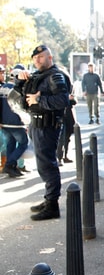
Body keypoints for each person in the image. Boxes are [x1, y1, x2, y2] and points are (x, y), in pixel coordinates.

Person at [13, 45, 70, 220]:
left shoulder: (55, 75)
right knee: (42, 165)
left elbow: (62, 100)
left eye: (41, 57)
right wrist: (21, 82)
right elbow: (21, 99)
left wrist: (40, 99)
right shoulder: (38, 76)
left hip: (47, 126)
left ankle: (52, 205)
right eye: (35, 58)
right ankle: (48, 199)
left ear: (50, 58)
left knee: (47, 165)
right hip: (36, 125)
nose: (37, 60)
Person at [1, 68, 29, 178]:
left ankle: (12, 168)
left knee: (10, 144)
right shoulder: (19, 89)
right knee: (23, 143)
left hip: (4, 122)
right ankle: (9, 164)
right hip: (16, 122)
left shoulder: (3, 87)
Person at [56, 68, 76, 166]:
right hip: (60, 116)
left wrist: (71, 98)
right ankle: (59, 157)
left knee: (67, 137)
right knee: (61, 138)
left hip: (68, 115)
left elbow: (73, 102)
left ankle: (65, 156)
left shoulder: (68, 88)